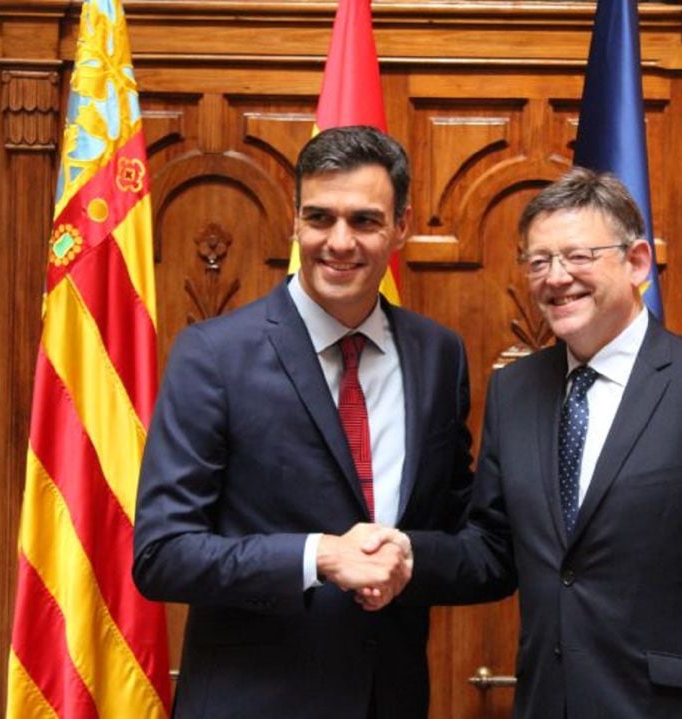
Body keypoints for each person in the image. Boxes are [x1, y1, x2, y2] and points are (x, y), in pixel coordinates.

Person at [376, 167, 682, 718]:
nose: (556, 278)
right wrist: (407, 555)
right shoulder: (514, 390)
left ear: (636, 263)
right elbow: (494, 550)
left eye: (578, 256)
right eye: (538, 261)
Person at [132, 126, 473, 719]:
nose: (339, 242)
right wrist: (317, 557)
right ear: (294, 221)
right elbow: (163, 554)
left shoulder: (438, 354)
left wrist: (410, 559)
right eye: (320, 218)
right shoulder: (213, 354)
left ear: (402, 225)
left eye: (365, 221)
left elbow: (462, 531)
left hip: (388, 699)